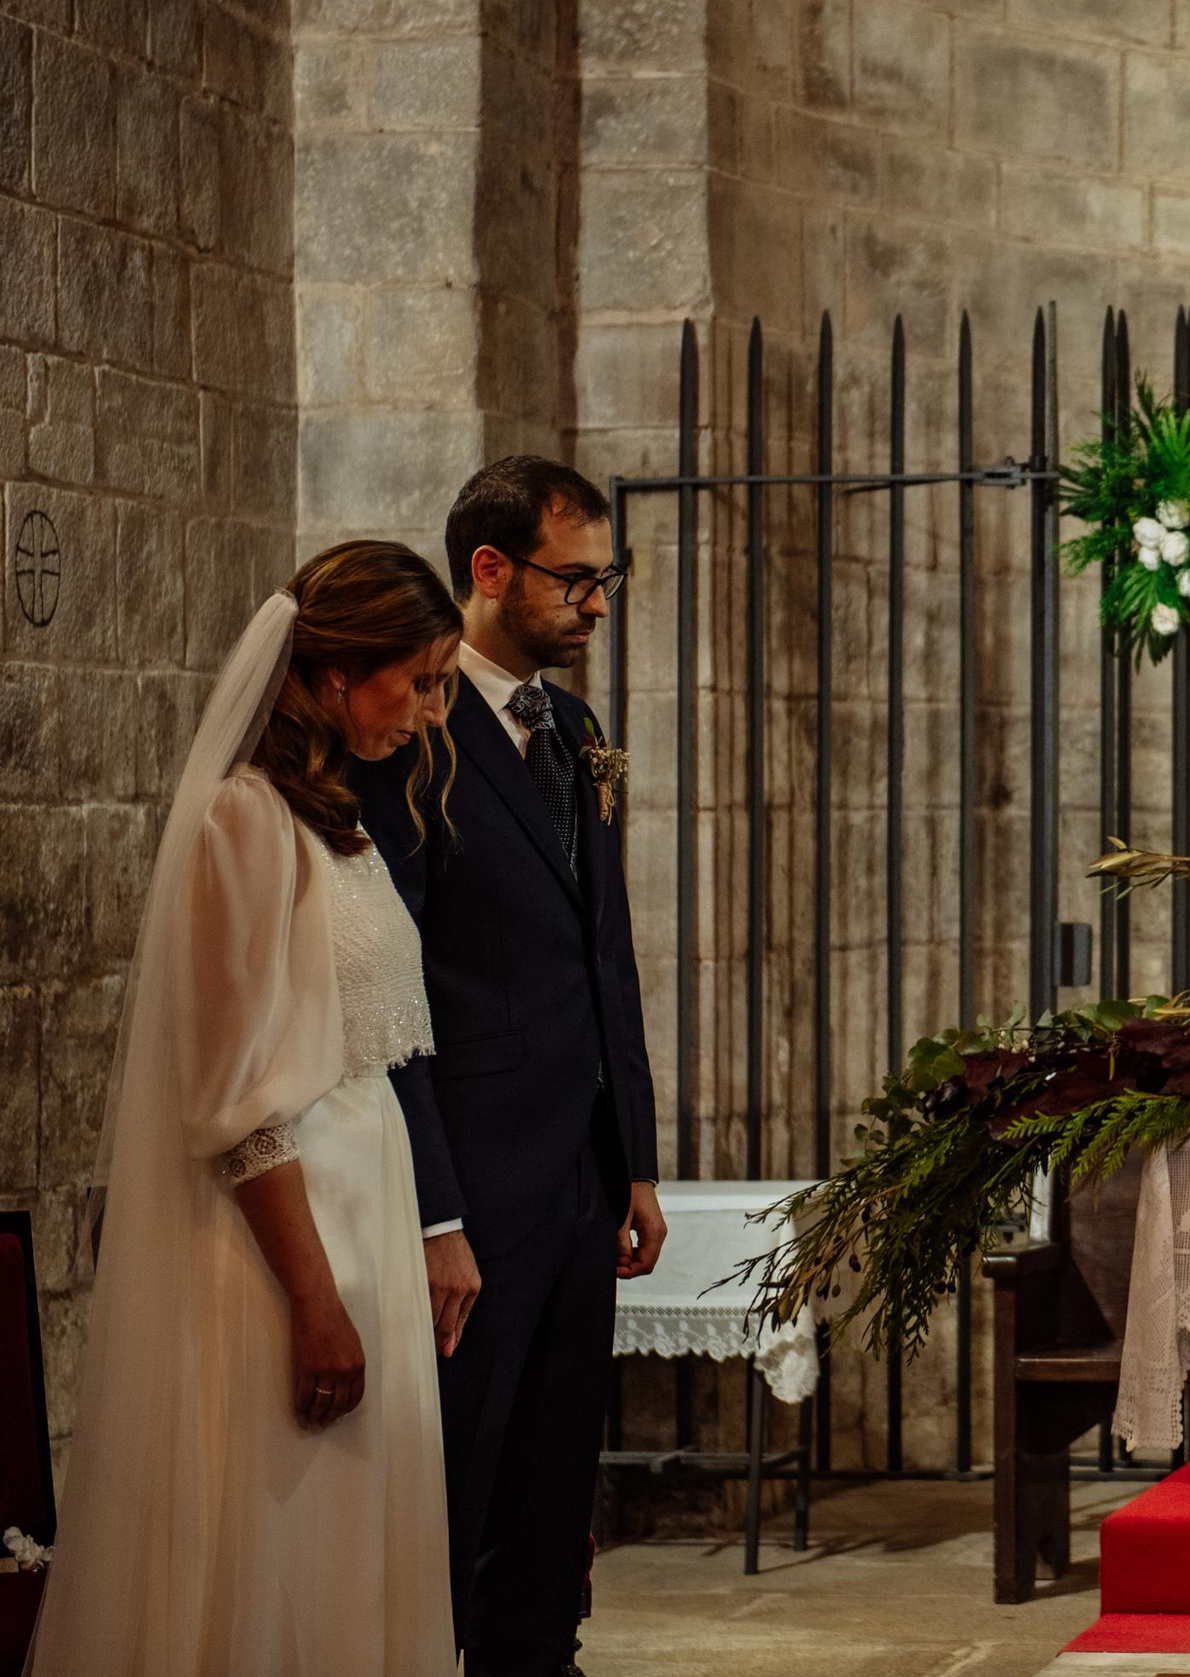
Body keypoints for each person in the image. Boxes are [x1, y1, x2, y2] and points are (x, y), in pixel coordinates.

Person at [30, 542, 464, 1674]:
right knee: (290, 1539)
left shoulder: (335, 818)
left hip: (365, 1208)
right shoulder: (243, 820)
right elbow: (230, 1099)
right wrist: (316, 1300)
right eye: (411, 680)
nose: (426, 711)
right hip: (288, 1242)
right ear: (330, 674)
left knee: (359, 1535)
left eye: (437, 682)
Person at [355, 455, 665, 1677]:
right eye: (576, 579)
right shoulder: (409, 731)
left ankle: (545, 1657)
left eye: (607, 579)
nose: (597, 604)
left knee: (554, 1462)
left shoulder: (573, 728)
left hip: (581, 1173)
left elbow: (608, 952)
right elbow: (386, 984)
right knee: (463, 1466)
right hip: (474, 1177)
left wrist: (632, 1156)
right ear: (489, 570)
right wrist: (432, 1202)